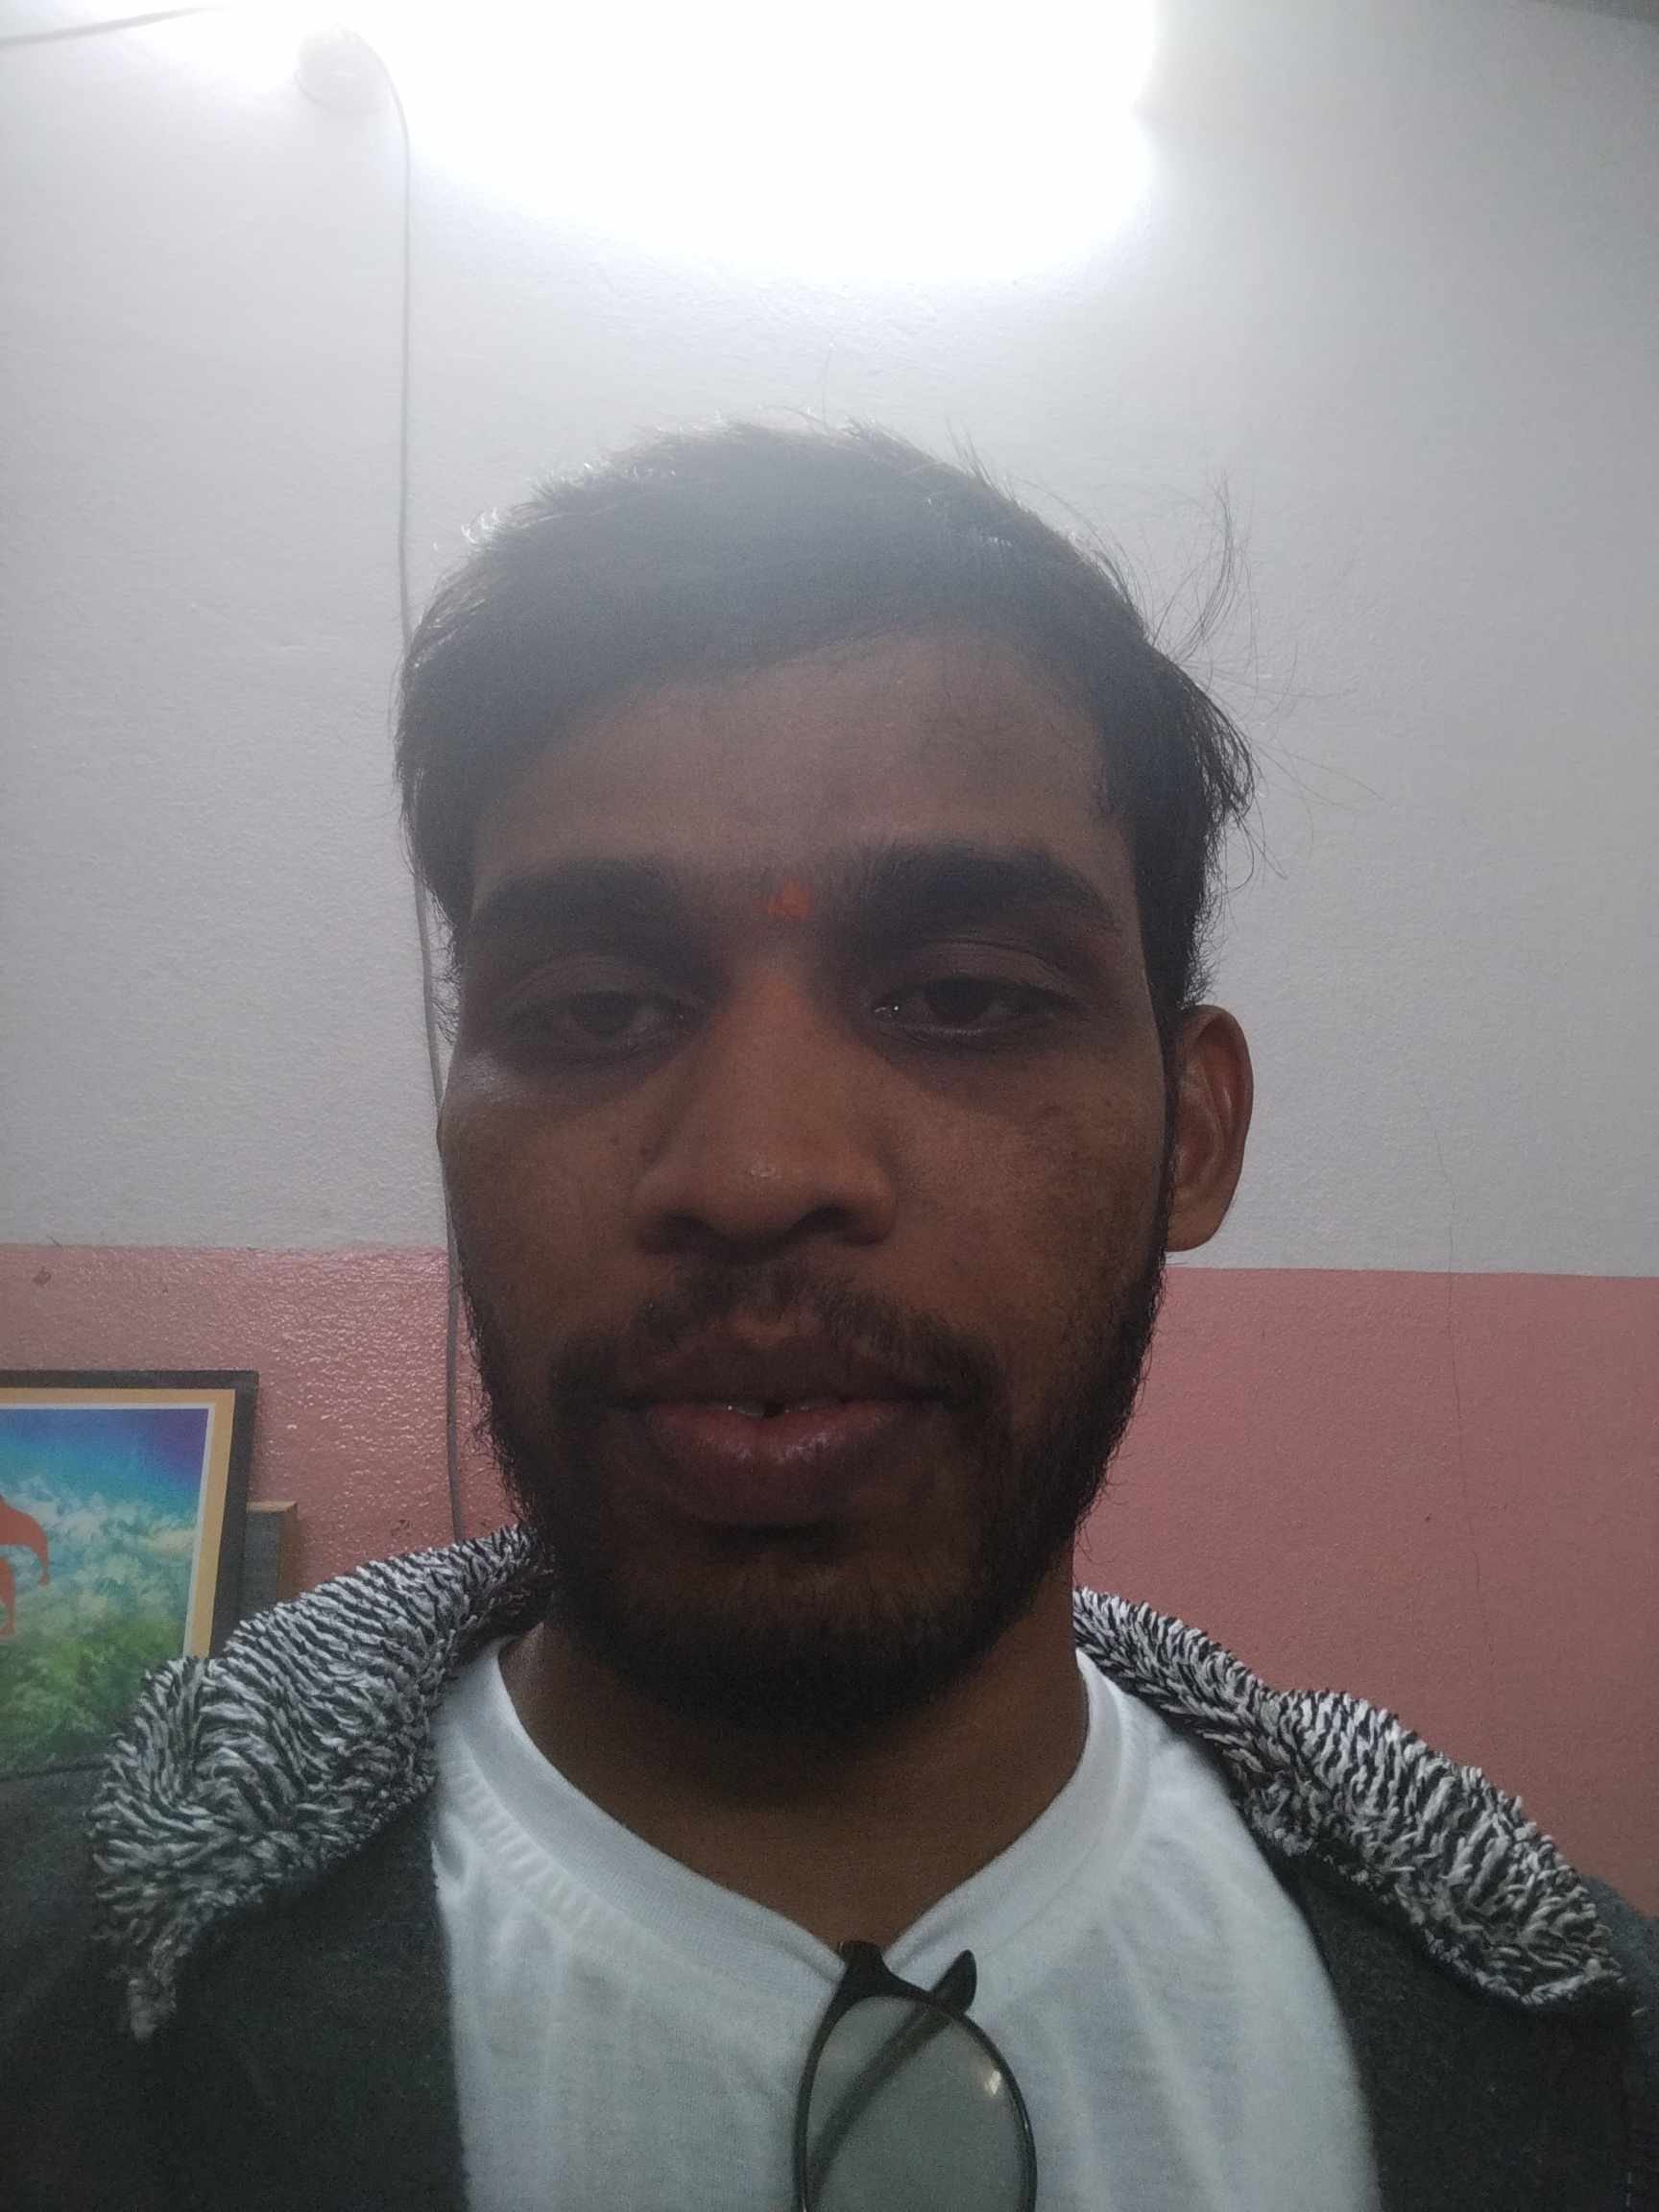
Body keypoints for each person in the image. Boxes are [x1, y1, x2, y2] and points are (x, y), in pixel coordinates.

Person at [3, 421, 1654, 2212]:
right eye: (595, 1009)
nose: (755, 1168)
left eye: (963, 995)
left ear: (1193, 1134)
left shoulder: (1575, 2050)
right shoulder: (58, 1985)